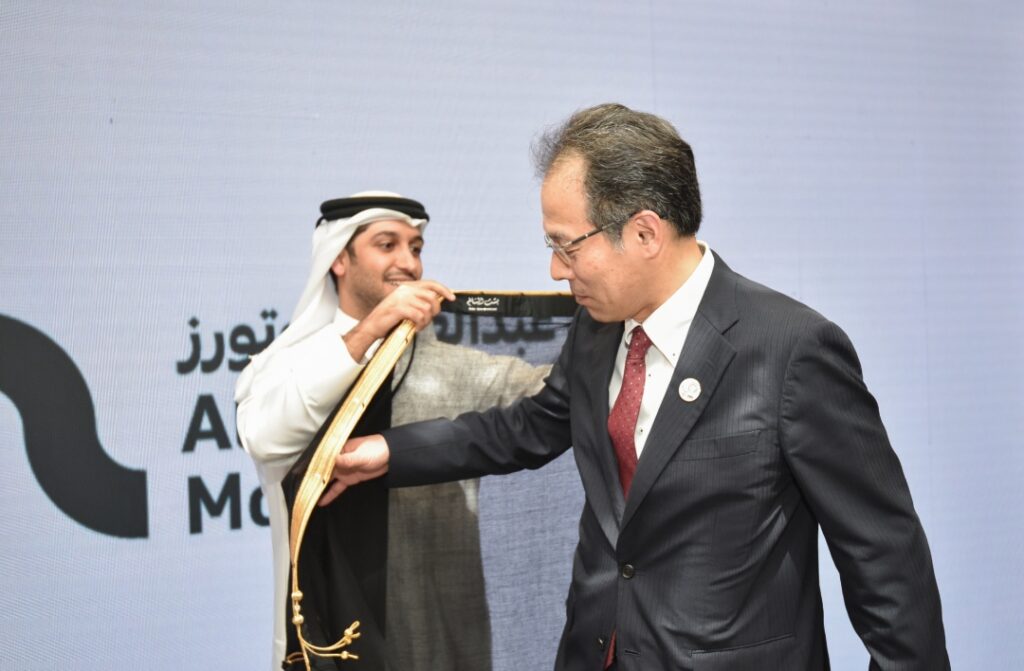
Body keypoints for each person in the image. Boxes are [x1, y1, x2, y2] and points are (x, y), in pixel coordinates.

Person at [324, 106, 950, 670]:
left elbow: (884, 556)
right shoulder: (597, 330)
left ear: (645, 233)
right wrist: (388, 451)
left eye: (566, 246)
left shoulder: (790, 349)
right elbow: (530, 427)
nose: (554, 269)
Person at [235, 192, 549, 671]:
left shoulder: (450, 368)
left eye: (416, 248)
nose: (409, 262)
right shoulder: (288, 365)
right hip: (329, 630)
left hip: (439, 632)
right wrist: (373, 328)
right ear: (339, 259)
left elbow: (552, 396)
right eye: (388, 245)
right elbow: (266, 437)